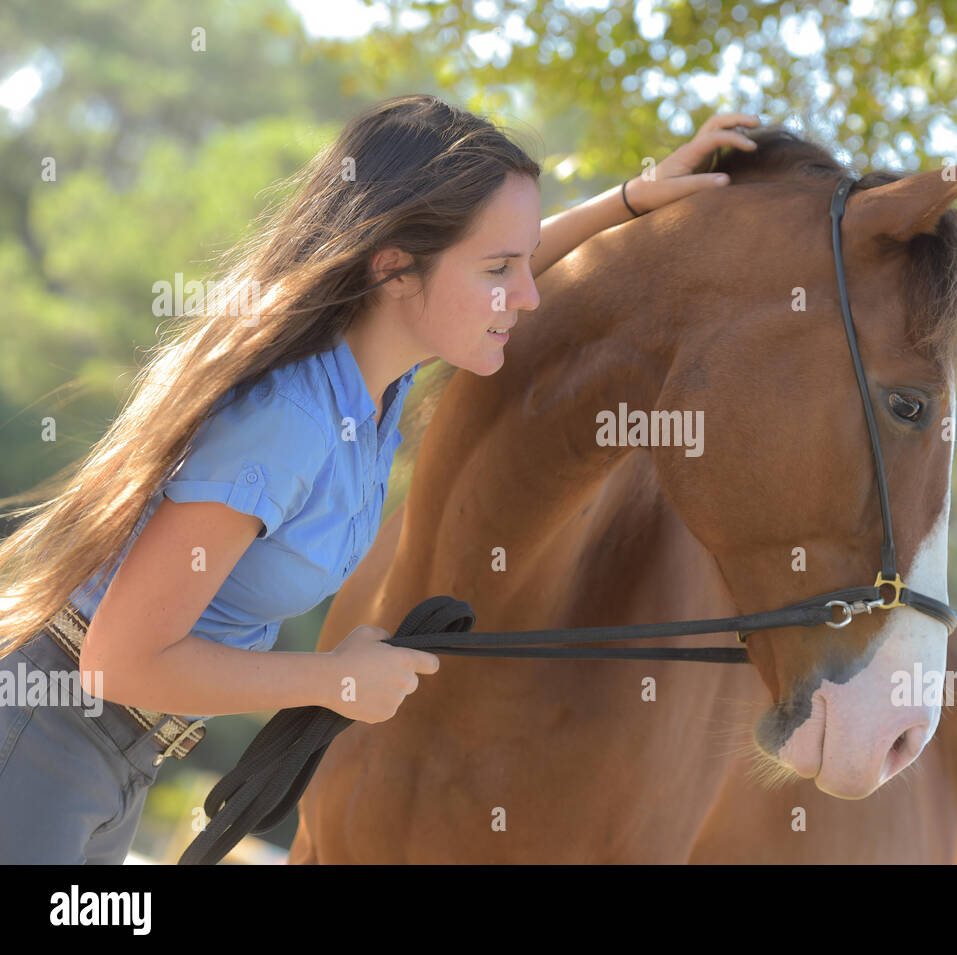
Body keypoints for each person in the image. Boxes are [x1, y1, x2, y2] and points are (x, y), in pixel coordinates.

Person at [0, 93, 759, 863]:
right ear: (393, 268)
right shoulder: (292, 418)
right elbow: (117, 659)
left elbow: (486, 264)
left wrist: (632, 198)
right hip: (45, 739)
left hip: (110, 753)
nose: (527, 294)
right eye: (501, 269)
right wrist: (332, 680)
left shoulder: (368, 384)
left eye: (522, 262)